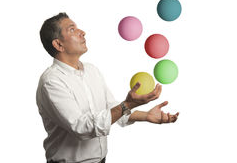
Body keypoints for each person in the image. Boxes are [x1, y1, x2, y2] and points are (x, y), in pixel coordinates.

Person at [36, 12, 179, 163]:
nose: (82, 32)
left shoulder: (91, 70)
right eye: (72, 29)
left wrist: (146, 115)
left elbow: (111, 108)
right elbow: (81, 127)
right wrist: (128, 104)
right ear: (58, 44)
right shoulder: (51, 82)